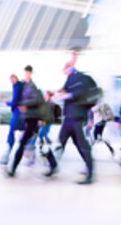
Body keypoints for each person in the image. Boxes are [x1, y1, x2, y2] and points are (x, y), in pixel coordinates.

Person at [51, 50, 100, 184]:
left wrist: (64, 95)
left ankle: (90, 175)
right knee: (61, 143)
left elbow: (77, 93)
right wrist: (53, 93)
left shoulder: (79, 78)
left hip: (77, 118)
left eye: (65, 69)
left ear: (69, 69)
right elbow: (64, 89)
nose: (63, 72)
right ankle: (52, 167)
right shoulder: (71, 79)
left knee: (82, 146)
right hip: (69, 118)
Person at [7, 69, 49, 178]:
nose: (24, 76)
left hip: (33, 120)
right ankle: (52, 163)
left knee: (23, 143)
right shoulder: (26, 87)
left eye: (26, 74)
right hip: (29, 120)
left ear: (29, 74)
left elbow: (37, 100)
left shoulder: (31, 86)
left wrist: (23, 104)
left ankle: (13, 168)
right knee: (29, 143)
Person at [2, 74, 25, 163]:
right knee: (23, 134)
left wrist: (7, 103)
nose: (11, 81)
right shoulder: (19, 86)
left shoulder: (18, 86)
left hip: (18, 113)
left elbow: (15, 101)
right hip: (21, 114)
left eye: (12, 79)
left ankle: (6, 157)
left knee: (11, 133)